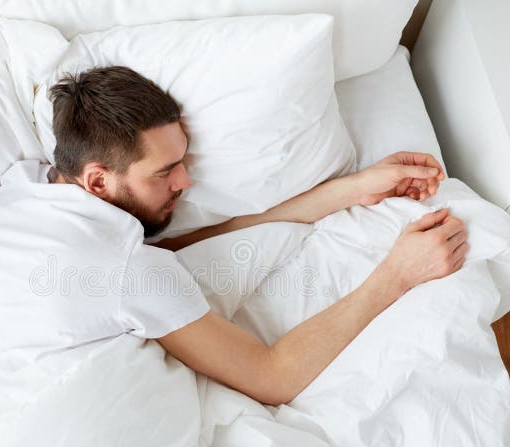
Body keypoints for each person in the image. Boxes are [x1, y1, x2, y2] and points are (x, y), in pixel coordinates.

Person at [44, 65, 468, 406]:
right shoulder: (128, 272)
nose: (185, 182)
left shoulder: (29, 187)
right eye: (164, 172)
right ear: (97, 181)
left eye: (181, 161)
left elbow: (177, 248)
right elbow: (272, 377)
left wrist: (354, 189)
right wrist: (398, 273)